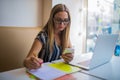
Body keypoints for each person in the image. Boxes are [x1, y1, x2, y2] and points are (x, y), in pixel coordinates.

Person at [23, 4, 74, 70]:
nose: (62, 24)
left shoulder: (65, 35)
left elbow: (69, 53)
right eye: (58, 20)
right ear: (52, 19)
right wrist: (29, 62)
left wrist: (69, 58)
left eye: (65, 20)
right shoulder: (43, 36)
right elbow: (27, 60)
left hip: (60, 71)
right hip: (45, 72)